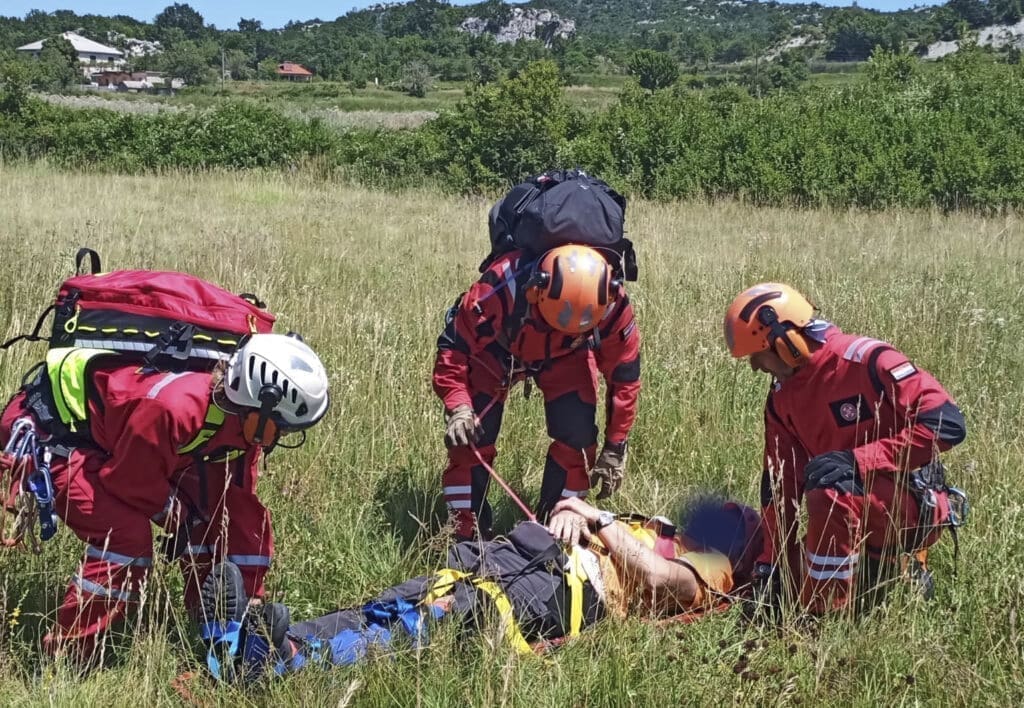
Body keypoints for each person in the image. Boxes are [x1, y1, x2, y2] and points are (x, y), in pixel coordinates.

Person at [0, 333, 330, 661]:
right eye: (281, 428)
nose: (281, 437)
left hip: (119, 446)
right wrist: (179, 515)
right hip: (55, 435)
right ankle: (68, 657)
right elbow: (128, 481)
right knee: (126, 541)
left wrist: (251, 596)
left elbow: (238, 506)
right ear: (260, 405)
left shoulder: (244, 427)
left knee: (223, 512)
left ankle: (230, 628)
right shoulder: (173, 407)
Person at [198, 494, 761, 682]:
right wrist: (570, 511)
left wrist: (595, 517)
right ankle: (249, 640)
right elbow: (580, 513)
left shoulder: (712, 569)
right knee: (401, 599)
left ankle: (294, 661)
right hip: (528, 550)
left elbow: (660, 580)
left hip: (567, 590)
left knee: (436, 618)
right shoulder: (653, 525)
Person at [723, 283, 968, 615]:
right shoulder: (781, 400)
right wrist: (772, 562)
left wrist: (859, 461)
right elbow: (779, 483)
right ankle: (876, 574)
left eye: (758, 354)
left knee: (828, 488)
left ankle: (824, 619)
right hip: (846, 510)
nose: (755, 366)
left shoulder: (867, 360)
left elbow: (948, 424)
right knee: (774, 571)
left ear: (786, 341)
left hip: (910, 501)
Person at [434, 243, 641, 540]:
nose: (567, 326)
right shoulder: (503, 284)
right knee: (469, 438)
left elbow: (625, 376)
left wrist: (615, 447)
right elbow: (454, 347)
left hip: (567, 356)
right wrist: (459, 407)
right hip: (496, 352)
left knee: (579, 440)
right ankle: (465, 535)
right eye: (561, 318)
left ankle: (557, 532)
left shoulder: (612, 303)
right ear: (536, 291)